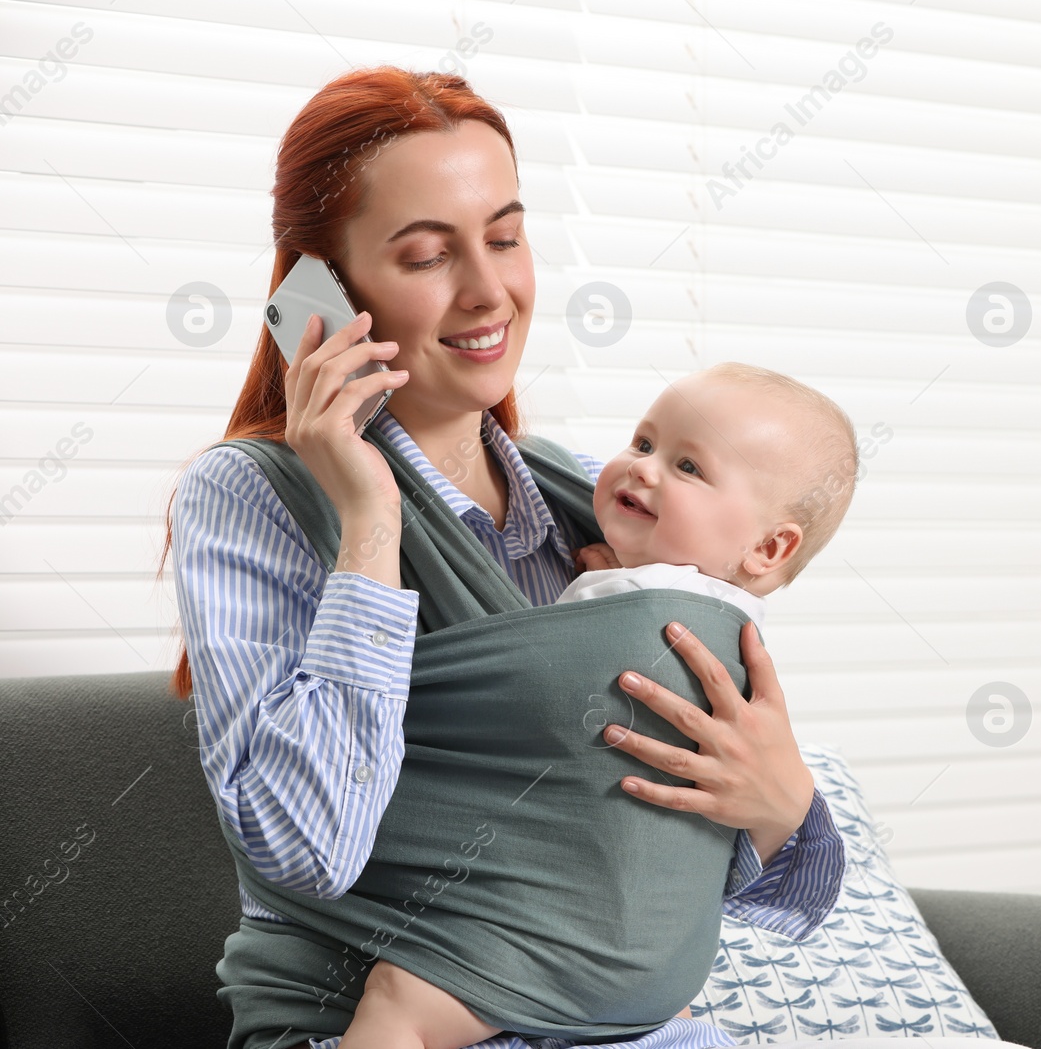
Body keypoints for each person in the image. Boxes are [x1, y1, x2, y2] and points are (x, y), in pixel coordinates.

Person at [160, 67, 845, 1049]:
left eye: (507, 236)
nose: (488, 291)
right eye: (429, 254)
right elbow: (306, 850)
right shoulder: (251, 494)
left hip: (603, 1018)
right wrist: (368, 522)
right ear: (324, 289)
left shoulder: (593, 498)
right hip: (364, 1018)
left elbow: (756, 887)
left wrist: (782, 805)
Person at [338, 361, 858, 1048]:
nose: (641, 469)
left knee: (396, 1000)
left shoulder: (680, 632)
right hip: (659, 976)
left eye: (689, 467)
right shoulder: (616, 545)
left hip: (537, 943)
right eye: (643, 443)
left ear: (768, 547)